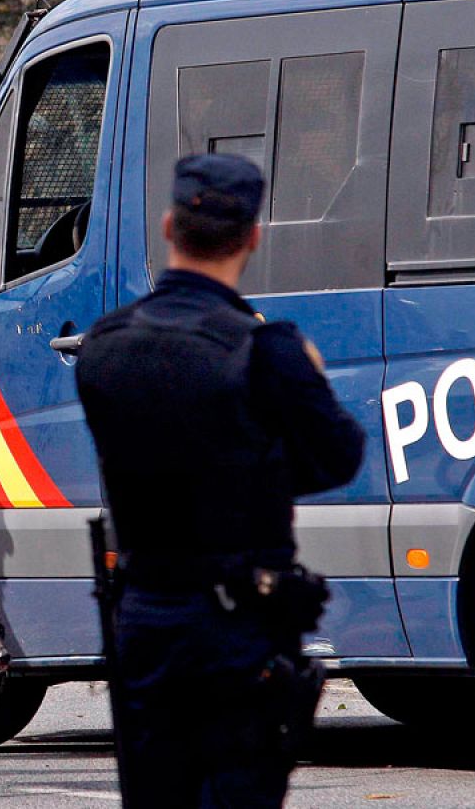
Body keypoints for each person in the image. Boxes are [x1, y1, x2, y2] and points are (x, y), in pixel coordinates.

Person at [76, 154, 365, 808]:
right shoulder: (268, 352)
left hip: (144, 620)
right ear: (253, 237)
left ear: (168, 225)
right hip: (238, 630)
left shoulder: (103, 346)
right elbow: (339, 458)